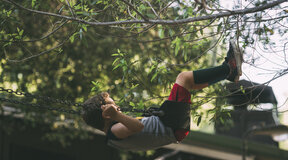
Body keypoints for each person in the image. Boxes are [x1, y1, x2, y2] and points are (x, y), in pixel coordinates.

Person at [82, 40, 243, 151]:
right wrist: (116, 114)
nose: (116, 106)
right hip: (171, 125)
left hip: (171, 126)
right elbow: (139, 127)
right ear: (105, 114)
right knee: (184, 78)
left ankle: (228, 72)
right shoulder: (115, 130)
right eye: (112, 104)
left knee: (188, 84)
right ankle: (229, 68)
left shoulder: (112, 138)